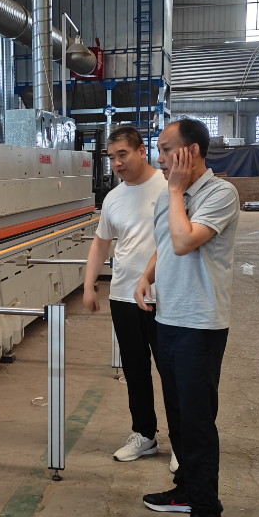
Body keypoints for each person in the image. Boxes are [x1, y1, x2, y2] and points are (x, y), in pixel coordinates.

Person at [133, 119, 240, 517]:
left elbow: (184, 240)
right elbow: (164, 244)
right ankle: (185, 491)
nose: (158, 158)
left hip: (201, 323)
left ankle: (207, 511)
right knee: (177, 413)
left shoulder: (220, 193)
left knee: (197, 421)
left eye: (165, 149)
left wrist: (176, 190)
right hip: (168, 318)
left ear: (190, 151)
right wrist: (146, 275)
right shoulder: (168, 195)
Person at [83, 127, 168, 464]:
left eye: (123, 154)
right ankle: (145, 435)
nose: (117, 163)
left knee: (172, 371)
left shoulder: (167, 186)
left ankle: (184, 443)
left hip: (163, 296)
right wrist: (89, 285)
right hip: (122, 297)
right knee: (135, 370)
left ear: (142, 151)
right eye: (111, 157)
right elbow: (101, 242)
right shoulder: (113, 198)